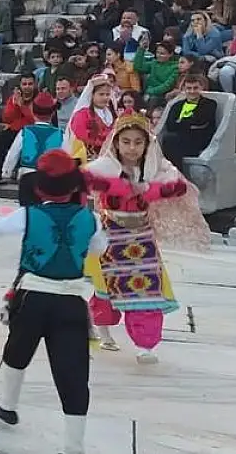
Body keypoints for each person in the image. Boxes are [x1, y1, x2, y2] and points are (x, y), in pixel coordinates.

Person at [0, 150, 103, 454]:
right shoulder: (91, 219)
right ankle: (74, 446)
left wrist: (0, 216)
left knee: (17, 349)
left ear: (38, 188)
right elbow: (99, 250)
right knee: (72, 371)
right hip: (71, 301)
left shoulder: (28, 215)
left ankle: (8, 404)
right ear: (75, 187)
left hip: (32, 296)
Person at [84, 112, 210, 362]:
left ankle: (146, 345)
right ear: (116, 142)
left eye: (138, 142)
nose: (132, 148)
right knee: (107, 288)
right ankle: (103, 328)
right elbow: (82, 179)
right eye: (126, 141)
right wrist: (118, 187)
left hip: (142, 238)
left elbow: (179, 186)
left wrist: (153, 190)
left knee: (146, 289)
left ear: (147, 144)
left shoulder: (156, 167)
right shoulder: (105, 167)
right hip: (111, 237)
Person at [2, 92, 62, 205]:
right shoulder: (61, 134)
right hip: (49, 178)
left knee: (26, 211)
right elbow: (66, 157)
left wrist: (6, 172)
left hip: (27, 176)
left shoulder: (25, 131)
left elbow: (13, 153)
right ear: (53, 112)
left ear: (33, 111)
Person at [64, 75, 116, 163]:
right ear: (91, 95)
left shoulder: (112, 114)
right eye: (101, 94)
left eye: (107, 94)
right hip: (87, 159)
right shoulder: (82, 115)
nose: (105, 97)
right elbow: (81, 137)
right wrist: (105, 144)